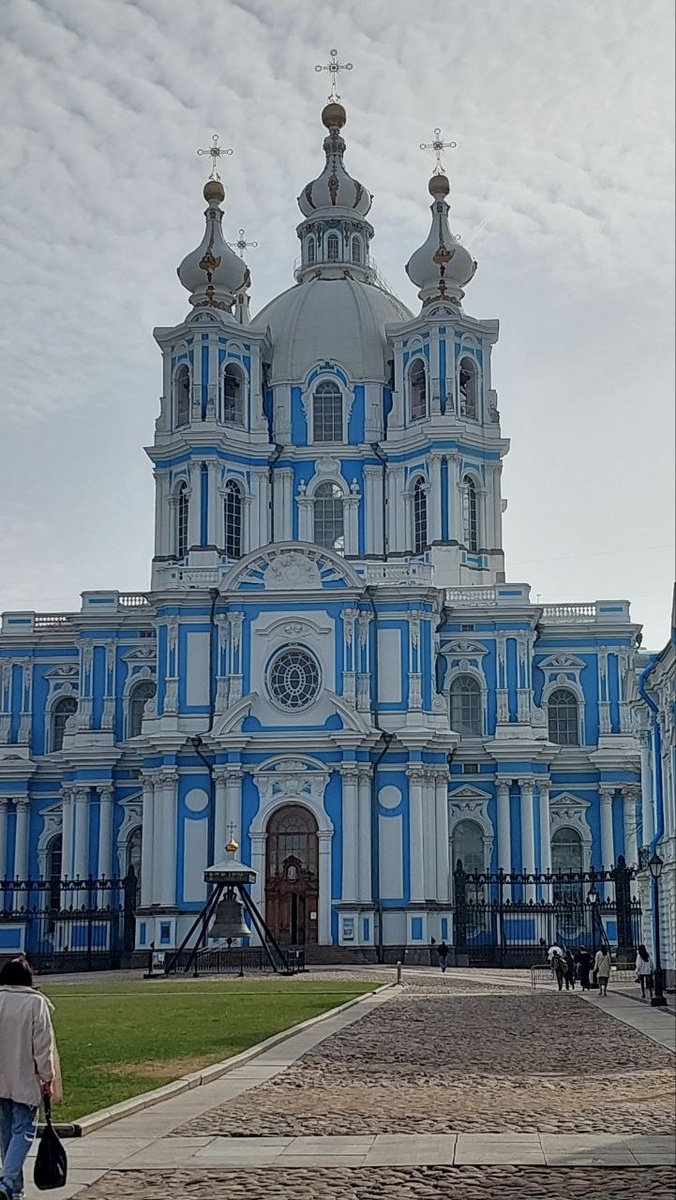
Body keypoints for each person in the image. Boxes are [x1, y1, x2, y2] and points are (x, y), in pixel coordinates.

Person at [0, 959, 57, 1200]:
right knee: (23, 1131)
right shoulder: (35, 1003)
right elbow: (42, 1045)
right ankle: (8, 1180)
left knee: (6, 1135)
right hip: (25, 1077)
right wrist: (48, 1077)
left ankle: (15, 1190)